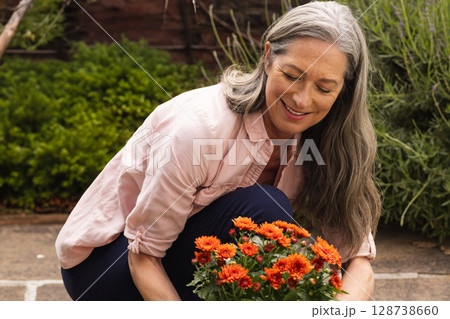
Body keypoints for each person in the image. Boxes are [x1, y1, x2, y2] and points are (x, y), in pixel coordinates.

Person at [55, 1, 381, 301]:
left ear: (343, 90)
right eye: (292, 76)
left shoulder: (331, 139)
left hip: (185, 257)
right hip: (109, 266)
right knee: (265, 209)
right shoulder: (200, 130)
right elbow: (143, 256)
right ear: (268, 57)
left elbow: (358, 258)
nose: (302, 100)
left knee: (289, 251)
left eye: (324, 88)